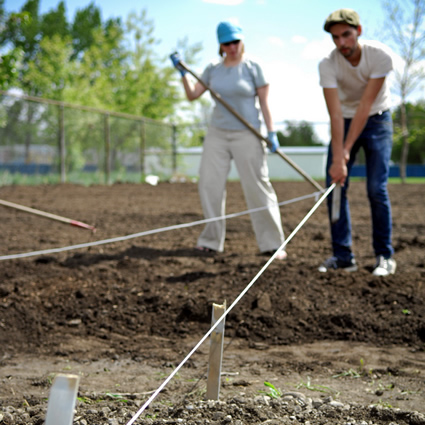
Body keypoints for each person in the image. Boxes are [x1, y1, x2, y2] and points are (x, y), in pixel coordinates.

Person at [170, 21, 286, 259]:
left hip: (248, 132)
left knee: (257, 186)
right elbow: (192, 95)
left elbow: (264, 103)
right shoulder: (213, 69)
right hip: (218, 134)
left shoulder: (254, 68)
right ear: (220, 45)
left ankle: (273, 244)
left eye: (236, 41)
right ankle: (211, 241)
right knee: (209, 185)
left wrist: (271, 133)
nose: (232, 47)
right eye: (227, 43)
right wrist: (183, 74)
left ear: (242, 41)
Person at [318, 8, 396, 276]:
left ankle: (384, 256)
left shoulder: (380, 56)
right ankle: (343, 257)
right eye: (335, 37)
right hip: (345, 120)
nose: (342, 43)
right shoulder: (327, 64)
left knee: (376, 188)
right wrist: (339, 157)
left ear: (358, 31)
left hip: (377, 119)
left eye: (347, 35)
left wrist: (346, 151)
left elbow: (365, 105)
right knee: (335, 185)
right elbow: (336, 113)